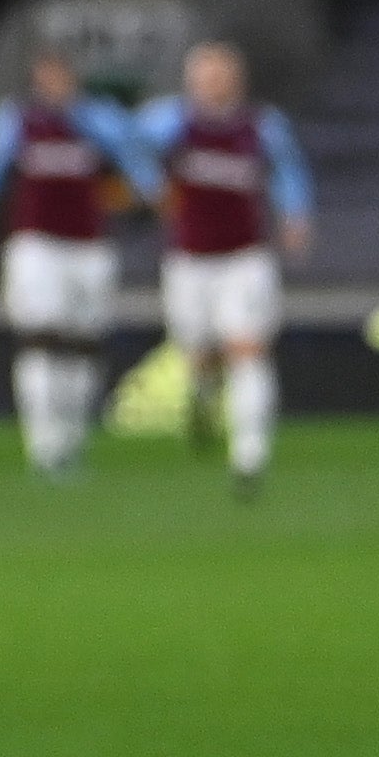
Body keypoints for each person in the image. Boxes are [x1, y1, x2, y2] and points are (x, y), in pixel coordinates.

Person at [0, 48, 162, 481]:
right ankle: (43, 448)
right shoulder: (17, 120)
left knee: (84, 343)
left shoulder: (97, 119)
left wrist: (149, 197)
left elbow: (134, 155)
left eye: (62, 75)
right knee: (40, 337)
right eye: (47, 75)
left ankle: (72, 441)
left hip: (89, 246)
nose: (54, 83)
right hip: (35, 243)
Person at [137, 40, 315, 500]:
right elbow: (127, 148)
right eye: (206, 73)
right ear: (191, 79)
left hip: (245, 257)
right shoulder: (169, 123)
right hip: (188, 259)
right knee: (197, 349)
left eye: (222, 73)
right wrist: (148, 186)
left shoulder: (261, 125)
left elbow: (287, 170)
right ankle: (202, 394)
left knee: (248, 349)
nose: (214, 82)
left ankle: (250, 458)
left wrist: (295, 214)